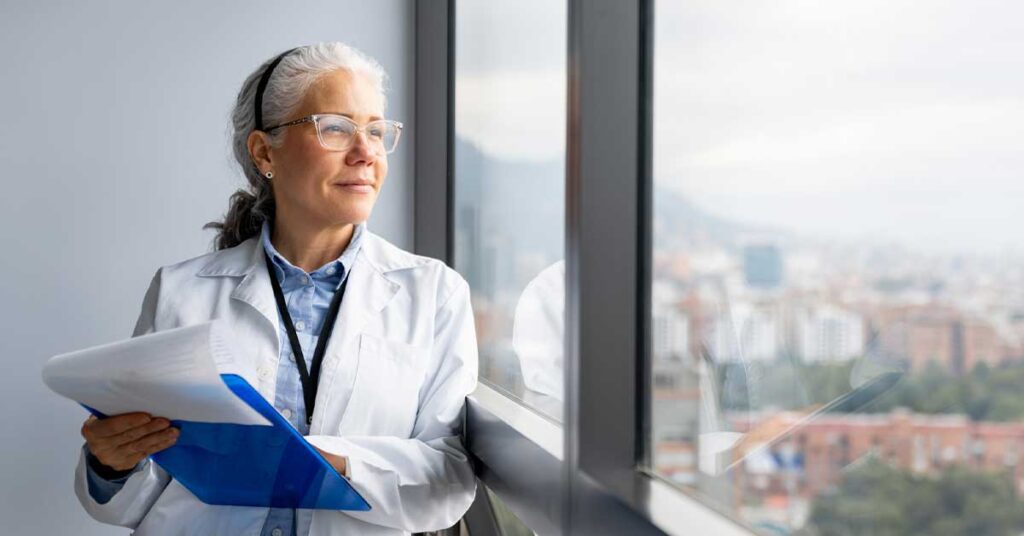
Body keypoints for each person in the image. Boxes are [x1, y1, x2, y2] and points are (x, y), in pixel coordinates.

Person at [74, 42, 479, 535]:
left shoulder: (433, 294)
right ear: (266, 152)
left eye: (376, 130)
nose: (366, 152)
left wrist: (327, 462)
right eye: (336, 128)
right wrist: (111, 464)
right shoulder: (181, 291)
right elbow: (131, 504)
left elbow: (449, 480)